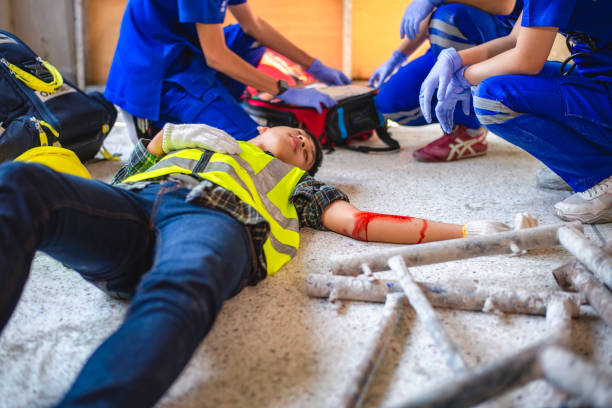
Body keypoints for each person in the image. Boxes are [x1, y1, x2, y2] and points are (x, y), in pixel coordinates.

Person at [0, 122, 529, 406]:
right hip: (134, 209)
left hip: (219, 222)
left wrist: (464, 230)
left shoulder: (302, 187)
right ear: (264, 127)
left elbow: (361, 222)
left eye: (309, 151)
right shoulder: (202, 132)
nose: (305, 143)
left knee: (180, 288)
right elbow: (142, 153)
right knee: (22, 185)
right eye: (298, 135)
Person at [419, 0, 612, 223]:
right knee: (497, 83)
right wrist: (457, 59)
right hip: (598, 82)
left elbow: (527, 61)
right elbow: (515, 40)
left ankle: (599, 174)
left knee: (492, 97)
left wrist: (462, 77)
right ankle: (586, 157)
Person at [104, 0, 350, 142]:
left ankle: (217, 106)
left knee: (248, 38)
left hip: (186, 54)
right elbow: (216, 56)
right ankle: (161, 123)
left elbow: (253, 25)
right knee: (256, 147)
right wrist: (284, 90)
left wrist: (314, 66)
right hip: (156, 81)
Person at [369, 0, 522, 162]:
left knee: (449, 15)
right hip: (452, 44)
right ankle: (470, 113)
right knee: (390, 103)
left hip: (500, 42)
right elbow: (430, 13)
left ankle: (469, 129)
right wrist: (398, 56)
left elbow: (505, 5)